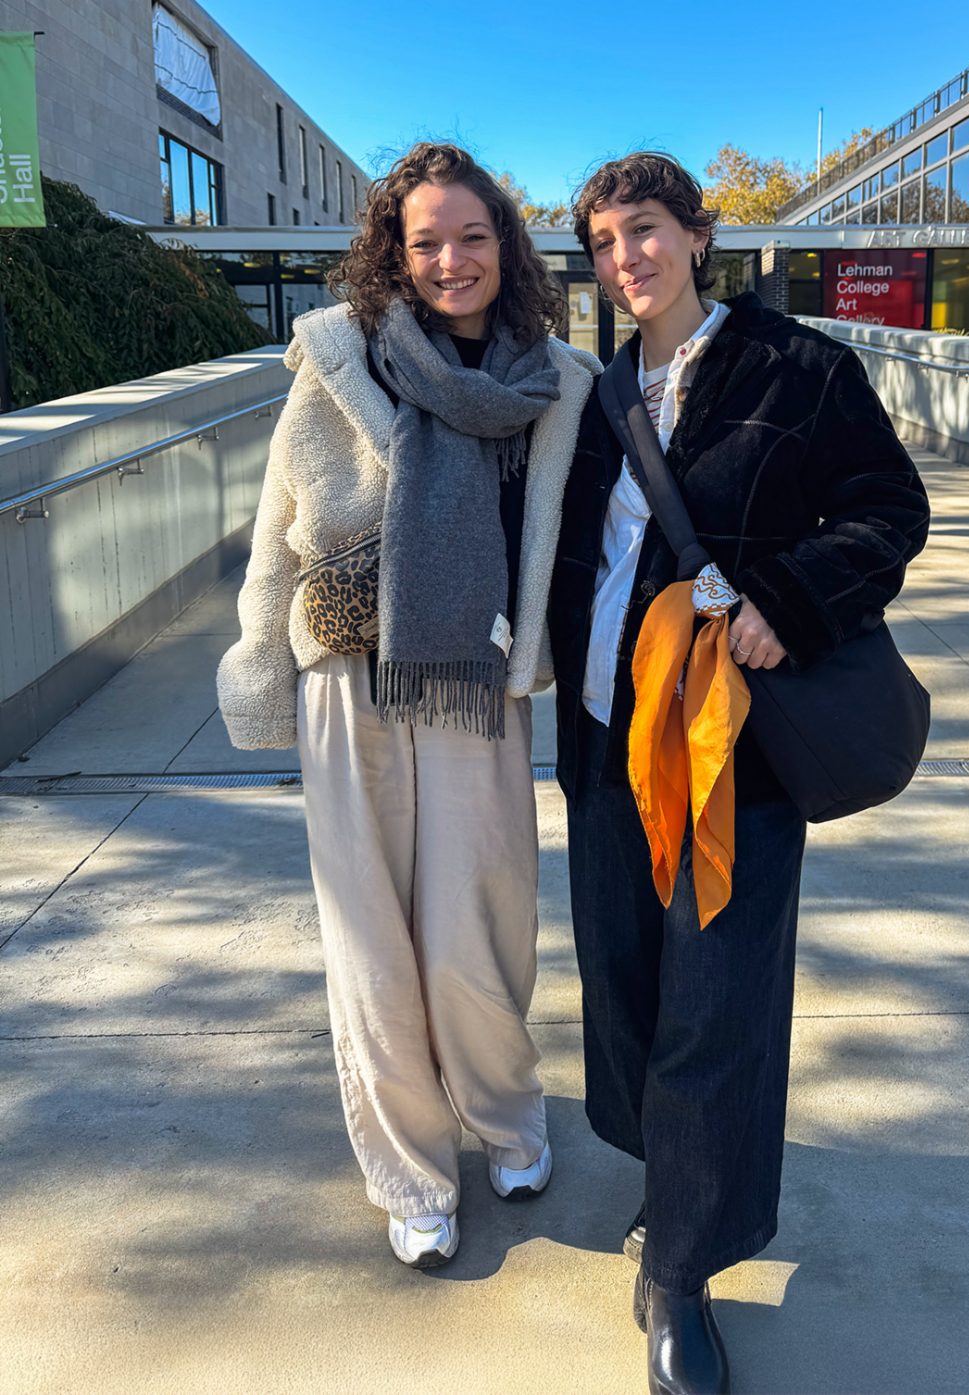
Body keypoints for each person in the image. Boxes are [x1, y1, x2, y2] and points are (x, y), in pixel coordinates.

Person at [549, 153, 930, 1394]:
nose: (625, 261)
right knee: (625, 981)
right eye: (604, 243)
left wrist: (786, 598)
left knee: (717, 999)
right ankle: (669, 1171)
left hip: (728, 755)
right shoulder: (603, 387)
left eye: (645, 232)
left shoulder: (801, 370)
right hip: (611, 737)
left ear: (700, 235)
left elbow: (889, 510)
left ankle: (683, 1268)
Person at [218, 142, 600, 1269]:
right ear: (395, 250)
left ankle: (505, 1114)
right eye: (424, 240)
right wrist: (257, 656)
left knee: (480, 916)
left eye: (472, 236)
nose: (450, 260)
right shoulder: (339, 359)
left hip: (478, 682)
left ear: (505, 247)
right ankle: (410, 1167)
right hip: (350, 675)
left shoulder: (548, 379)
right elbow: (275, 522)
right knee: (373, 935)